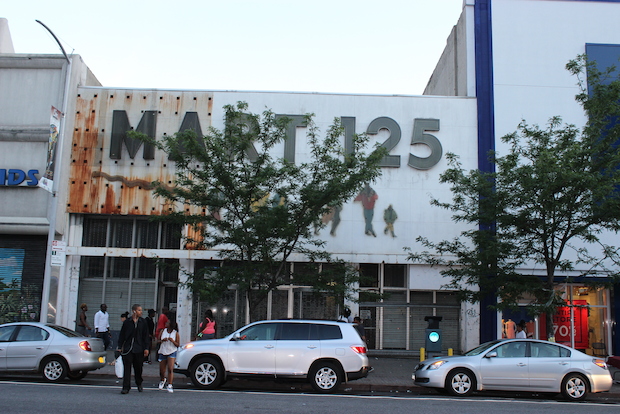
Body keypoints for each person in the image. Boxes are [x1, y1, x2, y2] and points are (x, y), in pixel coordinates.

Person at [117, 304, 150, 394]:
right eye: (139, 310)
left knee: (138, 367)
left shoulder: (143, 322)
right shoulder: (127, 322)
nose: (141, 312)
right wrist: (119, 346)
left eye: (141, 310)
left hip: (139, 348)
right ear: (134, 311)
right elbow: (122, 335)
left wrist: (146, 348)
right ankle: (126, 387)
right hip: (128, 348)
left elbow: (145, 336)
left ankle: (139, 383)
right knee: (127, 368)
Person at [158, 316, 180, 393]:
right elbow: (158, 340)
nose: (166, 323)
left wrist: (173, 341)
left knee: (170, 369)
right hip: (163, 351)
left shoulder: (175, 333)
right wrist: (162, 340)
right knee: (162, 370)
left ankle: (170, 384)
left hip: (172, 351)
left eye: (167, 323)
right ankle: (162, 379)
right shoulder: (163, 331)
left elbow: (178, 344)